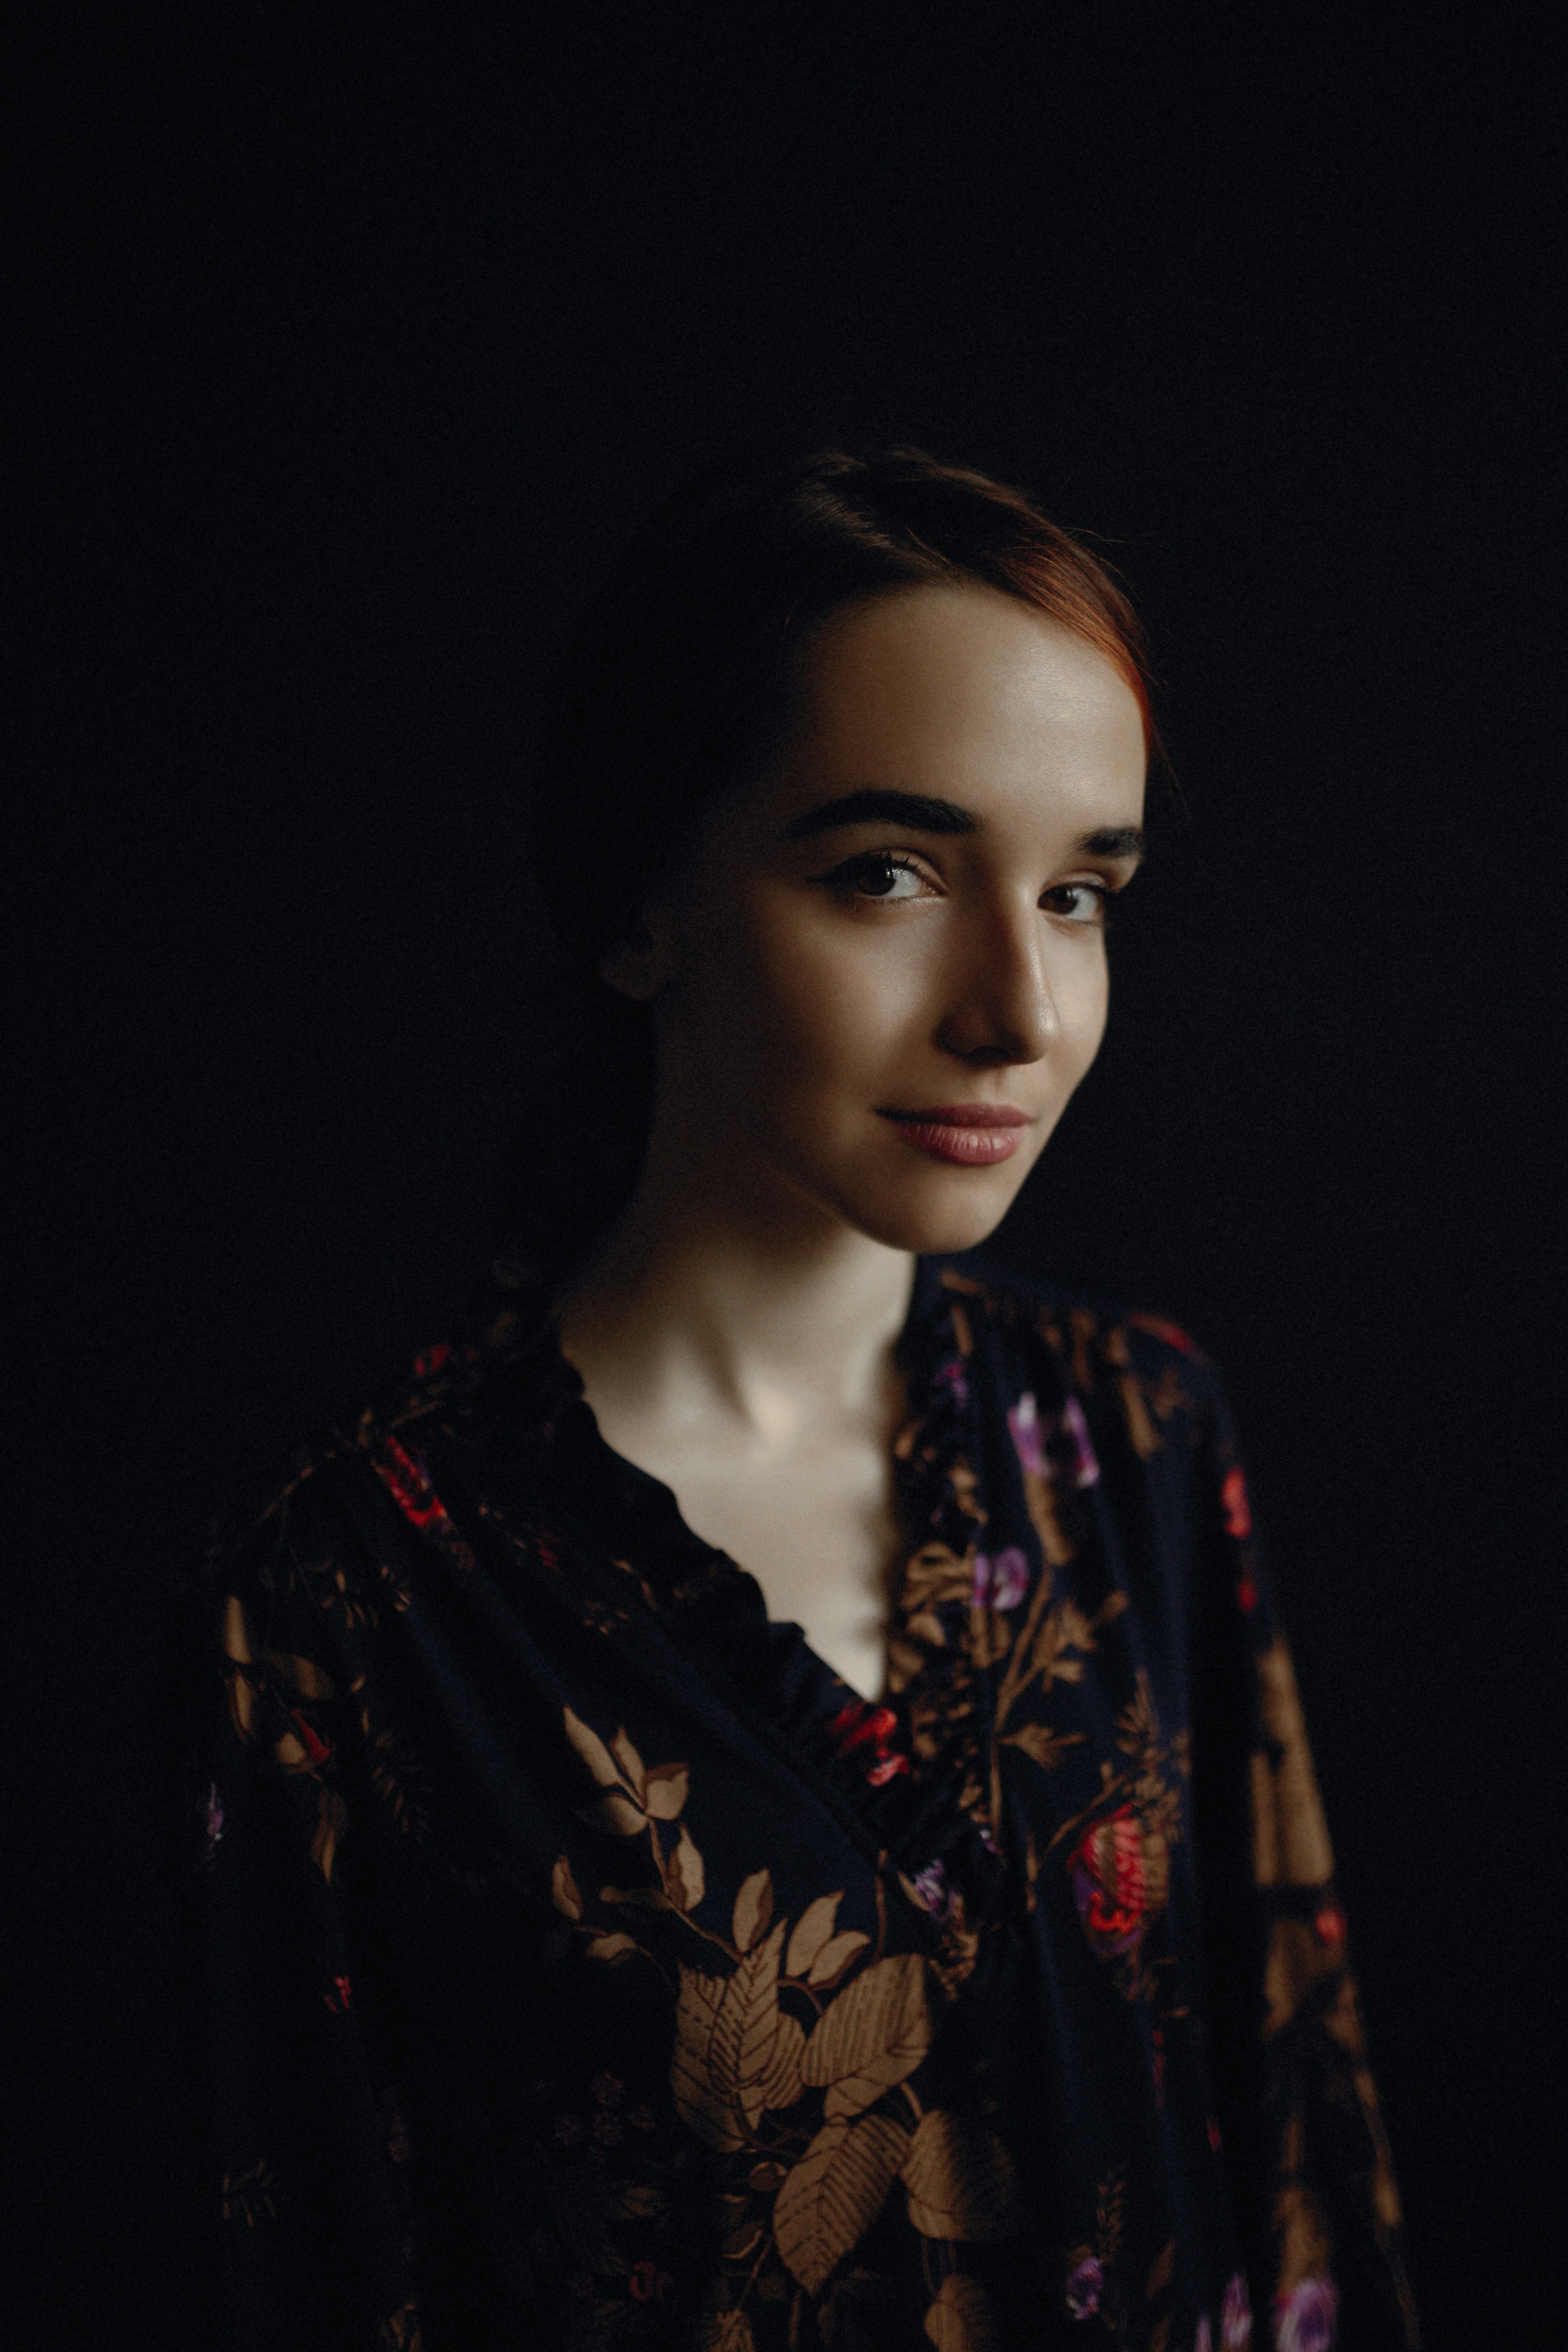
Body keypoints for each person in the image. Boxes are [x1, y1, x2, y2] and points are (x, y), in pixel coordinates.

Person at [186, 446, 1417, 2351]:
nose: (1015, 1004)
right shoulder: (354, 1598)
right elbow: (305, 2265)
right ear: (637, 902)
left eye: (1081, 892)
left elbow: (1292, 2146)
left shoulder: (1132, 1435)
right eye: (890, 875)